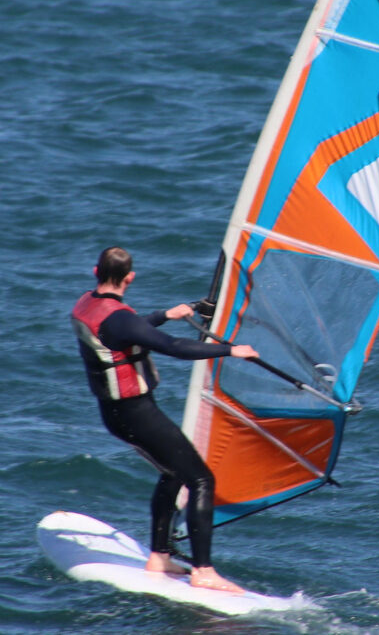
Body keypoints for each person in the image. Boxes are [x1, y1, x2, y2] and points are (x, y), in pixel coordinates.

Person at [71, 246, 258, 593]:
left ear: (96, 271)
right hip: (136, 413)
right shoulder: (121, 318)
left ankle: (159, 556)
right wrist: (231, 350)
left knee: (173, 472)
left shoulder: (87, 304)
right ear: (131, 277)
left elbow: (123, 331)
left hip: (114, 413)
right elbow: (173, 347)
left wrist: (163, 314)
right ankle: (204, 571)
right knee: (201, 479)